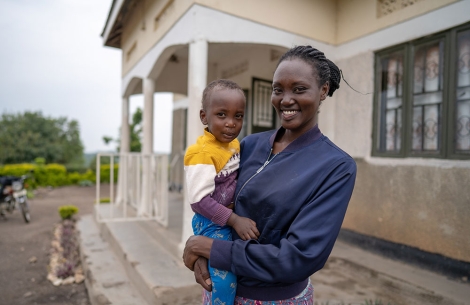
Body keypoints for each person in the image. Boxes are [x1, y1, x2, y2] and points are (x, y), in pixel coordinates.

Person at [183, 45, 357, 304]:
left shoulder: (335, 166)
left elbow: (298, 257)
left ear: (323, 90)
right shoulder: (249, 145)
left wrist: (208, 248)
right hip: (221, 289)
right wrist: (203, 250)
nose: (285, 100)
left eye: (299, 89)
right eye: (278, 90)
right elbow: (215, 198)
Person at [184, 79, 260, 305]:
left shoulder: (233, 145)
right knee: (225, 281)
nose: (231, 123)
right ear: (204, 117)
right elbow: (198, 201)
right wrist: (234, 219)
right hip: (210, 222)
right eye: (221, 115)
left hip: (223, 219)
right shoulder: (202, 153)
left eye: (238, 116)